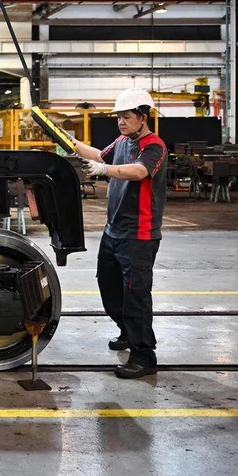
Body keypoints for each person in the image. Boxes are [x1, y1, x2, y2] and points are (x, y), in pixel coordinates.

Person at [69, 87, 167, 380]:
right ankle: (127, 332)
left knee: (135, 295)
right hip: (113, 232)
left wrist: (103, 170)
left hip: (139, 235)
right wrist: (70, 143)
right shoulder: (123, 141)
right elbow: (100, 155)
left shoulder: (154, 146)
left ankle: (144, 356)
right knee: (109, 286)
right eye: (118, 118)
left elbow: (138, 172)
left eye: (126, 117)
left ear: (143, 116)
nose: (121, 122)